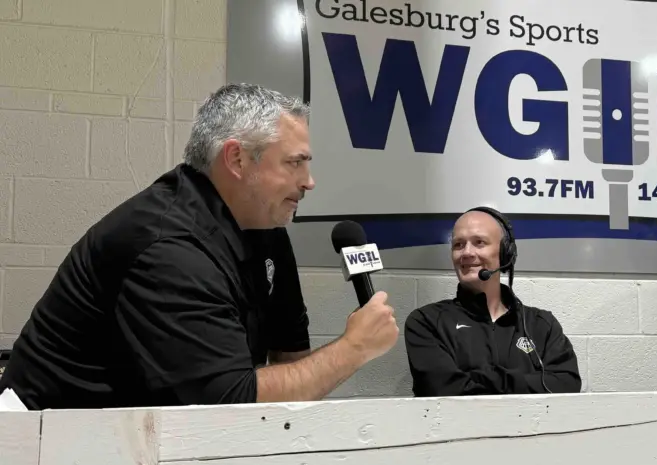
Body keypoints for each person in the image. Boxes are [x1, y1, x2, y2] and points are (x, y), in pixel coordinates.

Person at [0, 83, 399, 410]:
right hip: (43, 446)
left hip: (140, 441)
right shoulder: (168, 245)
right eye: (294, 163)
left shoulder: (267, 228)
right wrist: (353, 348)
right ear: (238, 160)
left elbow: (289, 364)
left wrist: (349, 350)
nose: (309, 181)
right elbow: (227, 401)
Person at [403, 207, 582, 395]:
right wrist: (527, 381)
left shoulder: (542, 325)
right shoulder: (426, 322)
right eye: (458, 245)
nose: (466, 253)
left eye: (479, 242)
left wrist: (476, 379)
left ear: (505, 253)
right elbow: (442, 389)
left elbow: (566, 385)